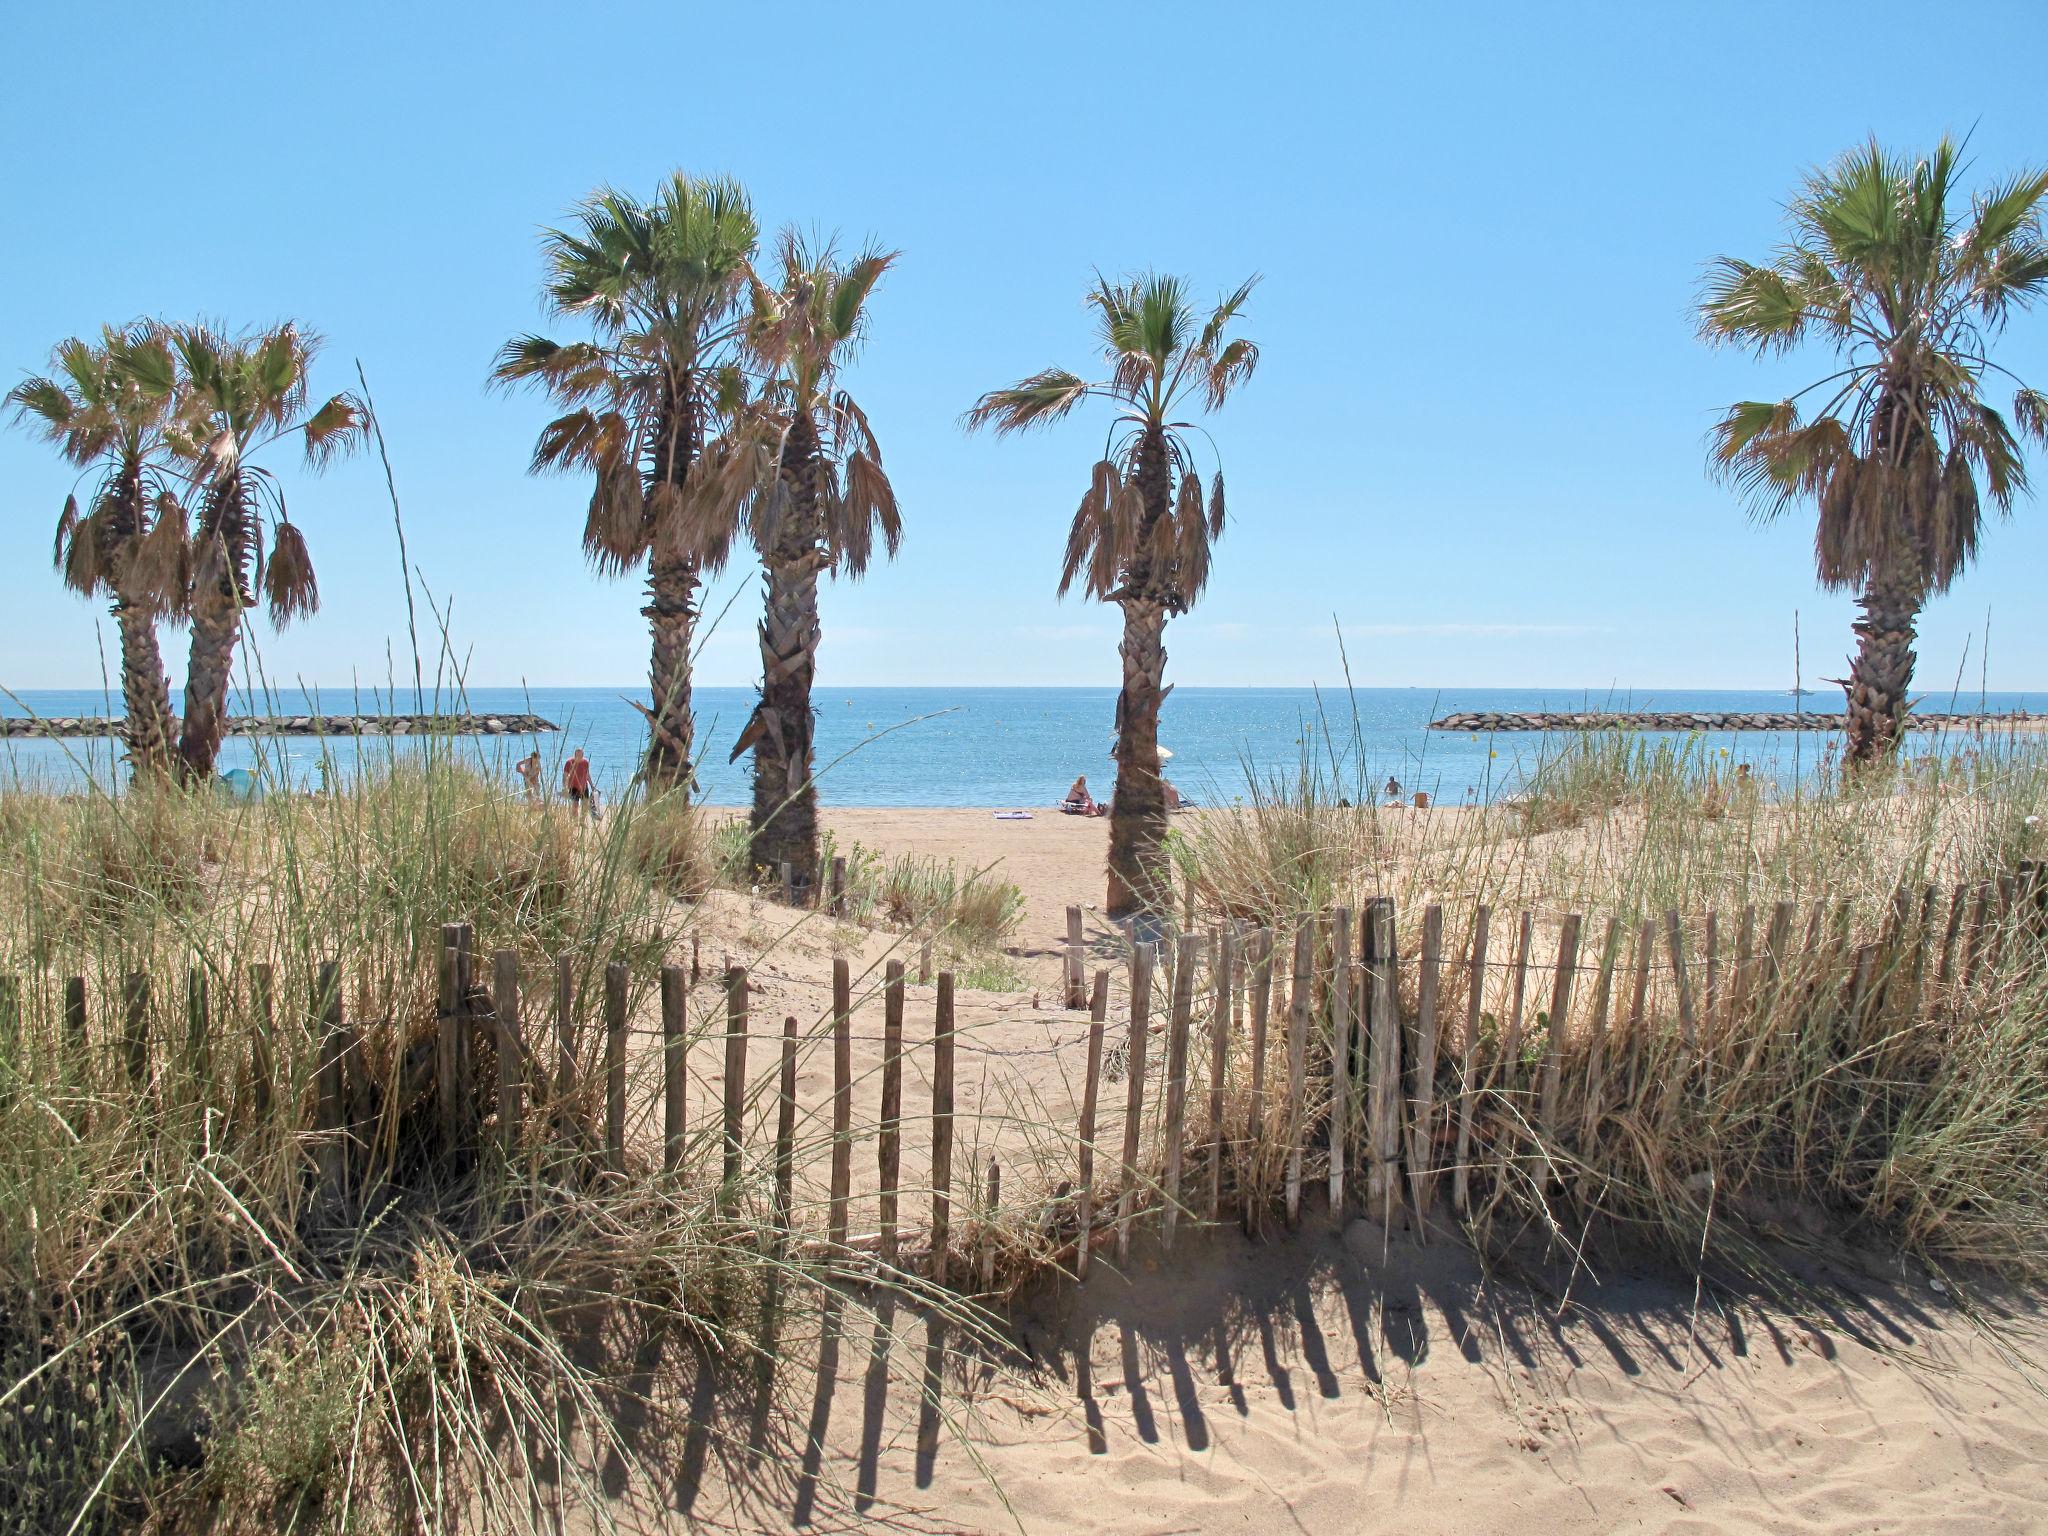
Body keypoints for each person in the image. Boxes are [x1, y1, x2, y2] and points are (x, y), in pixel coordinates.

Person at [563, 748, 593, 817]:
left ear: (583, 755)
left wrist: (592, 785)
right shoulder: (569, 762)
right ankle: (574, 821)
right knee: (575, 805)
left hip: (584, 787)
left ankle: (582, 821)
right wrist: (565, 786)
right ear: (575, 755)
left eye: (580, 755)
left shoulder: (586, 762)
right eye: (577, 755)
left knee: (585, 805)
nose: (579, 757)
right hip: (573, 787)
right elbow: (565, 775)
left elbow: (587, 774)